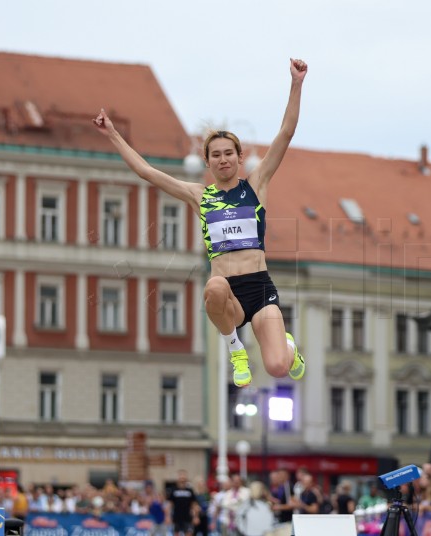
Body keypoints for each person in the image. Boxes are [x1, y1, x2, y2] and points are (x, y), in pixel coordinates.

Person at [93, 58, 308, 388]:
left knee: (278, 367)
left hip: (260, 287)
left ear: (239, 157)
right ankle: (235, 348)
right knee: (213, 287)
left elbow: (286, 132)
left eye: (229, 153)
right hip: (228, 295)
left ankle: (289, 348)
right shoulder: (199, 195)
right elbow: (146, 172)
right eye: (216, 154)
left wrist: (296, 84)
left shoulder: (256, 184)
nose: (223, 159)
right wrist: (112, 134)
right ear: (207, 162)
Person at [167, 470, 200, 536]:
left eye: (184, 476)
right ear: (178, 478)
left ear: (186, 478)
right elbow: (169, 505)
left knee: (189, 533)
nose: (182, 478)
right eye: (181, 476)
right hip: (176, 518)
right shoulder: (173, 490)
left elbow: (194, 505)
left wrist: (196, 516)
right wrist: (168, 516)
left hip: (187, 518)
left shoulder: (190, 491)